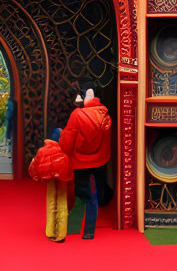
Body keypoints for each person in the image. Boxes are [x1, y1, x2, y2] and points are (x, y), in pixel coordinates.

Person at [59, 87, 112, 240]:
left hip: (80, 161)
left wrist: (66, 150)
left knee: (81, 194)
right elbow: (108, 139)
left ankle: (74, 228)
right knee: (94, 195)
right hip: (100, 160)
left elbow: (67, 141)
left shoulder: (77, 115)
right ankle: (89, 231)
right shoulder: (105, 114)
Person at [28, 128, 73, 243]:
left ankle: (50, 231)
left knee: (51, 201)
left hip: (49, 178)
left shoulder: (42, 150)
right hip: (63, 177)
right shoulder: (65, 150)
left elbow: (34, 166)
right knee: (62, 202)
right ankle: (61, 233)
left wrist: (38, 178)